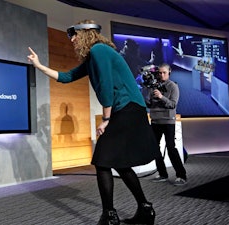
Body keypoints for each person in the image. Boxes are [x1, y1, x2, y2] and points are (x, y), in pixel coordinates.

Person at [28, 19, 160, 225]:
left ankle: (110, 215)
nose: (72, 40)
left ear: (86, 34)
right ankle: (144, 208)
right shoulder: (93, 56)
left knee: (102, 160)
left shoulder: (99, 50)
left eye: (74, 35)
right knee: (118, 162)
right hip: (126, 109)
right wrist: (38, 65)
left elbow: (107, 86)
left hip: (127, 109)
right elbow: (66, 76)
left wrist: (105, 119)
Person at [145, 63, 188, 186]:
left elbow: (172, 104)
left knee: (171, 148)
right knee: (154, 148)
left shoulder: (173, 86)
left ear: (169, 72)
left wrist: (161, 97)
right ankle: (162, 174)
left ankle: (181, 175)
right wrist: (147, 94)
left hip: (168, 121)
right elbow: (149, 104)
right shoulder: (154, 86)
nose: (161, 75)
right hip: (155, 121)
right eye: (159, 72)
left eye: (164, 72)